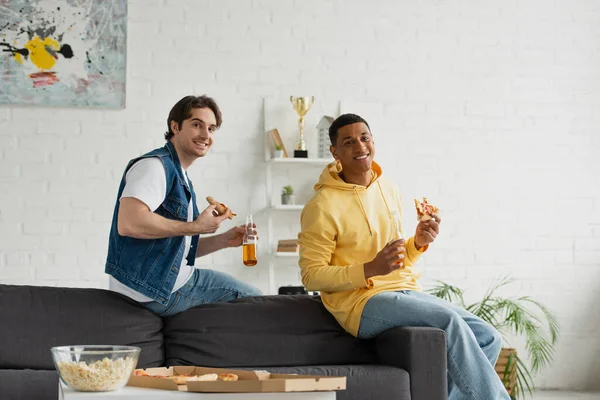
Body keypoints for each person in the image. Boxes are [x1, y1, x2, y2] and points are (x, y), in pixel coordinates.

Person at [298, 113, 509, 400]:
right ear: (335, 152)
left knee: (488, 337)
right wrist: (370, 269)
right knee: (450, 322)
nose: (360, 147)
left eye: (365, 138)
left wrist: (418, 243)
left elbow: (397, 258)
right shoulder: (322, 206)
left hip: (403, 289)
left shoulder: (387, 188)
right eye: (349, 142)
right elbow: (312, 275)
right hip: (359, 303)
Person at [105, 95, 262, 316]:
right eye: (197, 125)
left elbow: (173, 249)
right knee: (257, 301)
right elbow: (129, 223)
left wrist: (224, 240)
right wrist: (196, 227)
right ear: (175, 127)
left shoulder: (181, 176)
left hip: (155, 286)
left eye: (212, 128)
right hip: (152, 291)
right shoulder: (155, 167)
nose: (206, 135)